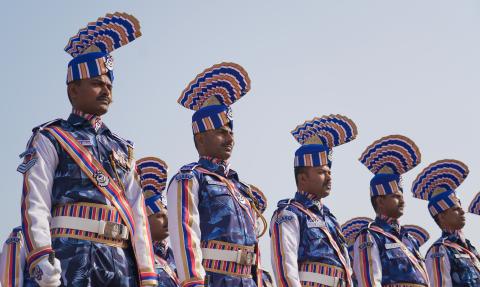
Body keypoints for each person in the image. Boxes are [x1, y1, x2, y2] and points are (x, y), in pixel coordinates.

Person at [19, 12, 156, 287]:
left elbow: (138, 213)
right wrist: (41, 256)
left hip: (120, 262)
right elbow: (36, 200)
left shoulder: (123, 148)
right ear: (73, 91)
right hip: (71, 256)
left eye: (109, 85)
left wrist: (147, 273)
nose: (106, 91)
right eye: (96, 84)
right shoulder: (51, 137)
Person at [167, 62, 265, 286]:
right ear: (200, 138)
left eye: (231, 133)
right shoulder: (190, 178)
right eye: (221, 132)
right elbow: (185, 235)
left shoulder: (241, 188)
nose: (229, 139)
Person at [270, 114, 358, 287]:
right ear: (302, 178)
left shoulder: (330, 219)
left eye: (329, 172)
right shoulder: (289, 213)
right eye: (321, 172)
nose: (329, 178)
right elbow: (285, 267)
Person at [354, 135, 429, 287]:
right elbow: (369, 281)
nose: (402, 201)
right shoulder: (370, 236)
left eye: (402, 196)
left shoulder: (409, 238)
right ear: (380, 201)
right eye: (395, 196)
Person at [412, 160, 480, 286]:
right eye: (455, 209)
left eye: (461, 208)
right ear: (442, 216)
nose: (462, 212)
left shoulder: (470, 249)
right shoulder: (439, 250)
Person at [136, 157, 180, 287]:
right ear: (143, 218)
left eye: (168, 215)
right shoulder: (135, 254)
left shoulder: (174, 258)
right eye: (159, 216)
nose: (167, 221)